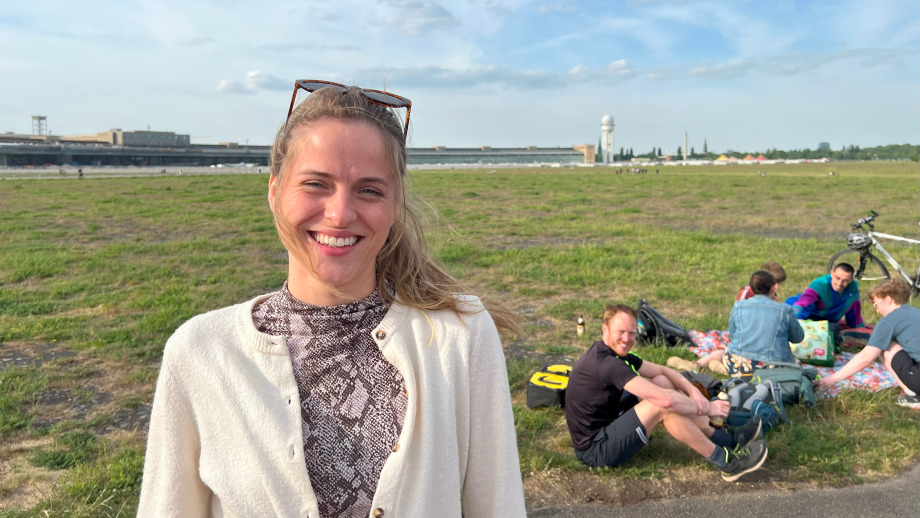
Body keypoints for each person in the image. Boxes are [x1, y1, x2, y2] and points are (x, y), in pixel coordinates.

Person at [138, 80, 526, 517]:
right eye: (316, 184)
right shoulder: (199, 353)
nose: (340, 214)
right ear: (274, 191)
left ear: (395, 205)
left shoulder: (461, 335)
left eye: (369, 189)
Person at [564, 304, 768, 482]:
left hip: (610, 421)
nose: (626, 339)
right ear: (605, 329)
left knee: (662, 382)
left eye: (632, 332)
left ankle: (726, 440)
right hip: (596, 450)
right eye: (620, 332)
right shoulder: (607, 364)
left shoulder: (613, 353)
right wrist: (707, 408)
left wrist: (693, 392)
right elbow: (664, 400)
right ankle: (727, 462)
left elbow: (663, 371)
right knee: (662, 405)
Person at [815, 279, 920, 409]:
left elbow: (866, 357)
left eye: (876, 305)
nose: (877, 311)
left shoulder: (889, 321)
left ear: (888, 299)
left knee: (885, 346)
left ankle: (913, 396)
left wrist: (832, 379)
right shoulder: (915, 312)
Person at [669, 261, 788, 375]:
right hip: (757, 350)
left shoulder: (769, 300)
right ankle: (701, 365)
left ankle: (709, 366)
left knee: (724, 353)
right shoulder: (754, 299)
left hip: (744, 349)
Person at [722, 270, 805, 376]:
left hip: (737, 362)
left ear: (751, 288)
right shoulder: (784, 310)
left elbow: (732, 336)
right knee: (796, 366)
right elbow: (798, 338)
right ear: (773, 288)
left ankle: (732, 372)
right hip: (773, 366)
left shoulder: (738, 306)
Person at [787, 264, 865, 345]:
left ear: (851, 279)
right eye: (837, 278)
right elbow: (803, 305)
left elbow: (854, 314)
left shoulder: (853, 290)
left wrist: (860, 332)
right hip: (807, 314)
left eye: (845, 280)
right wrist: (793, 323)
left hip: (827, 321)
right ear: (832, 273)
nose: (840, 283)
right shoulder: (819, 285)